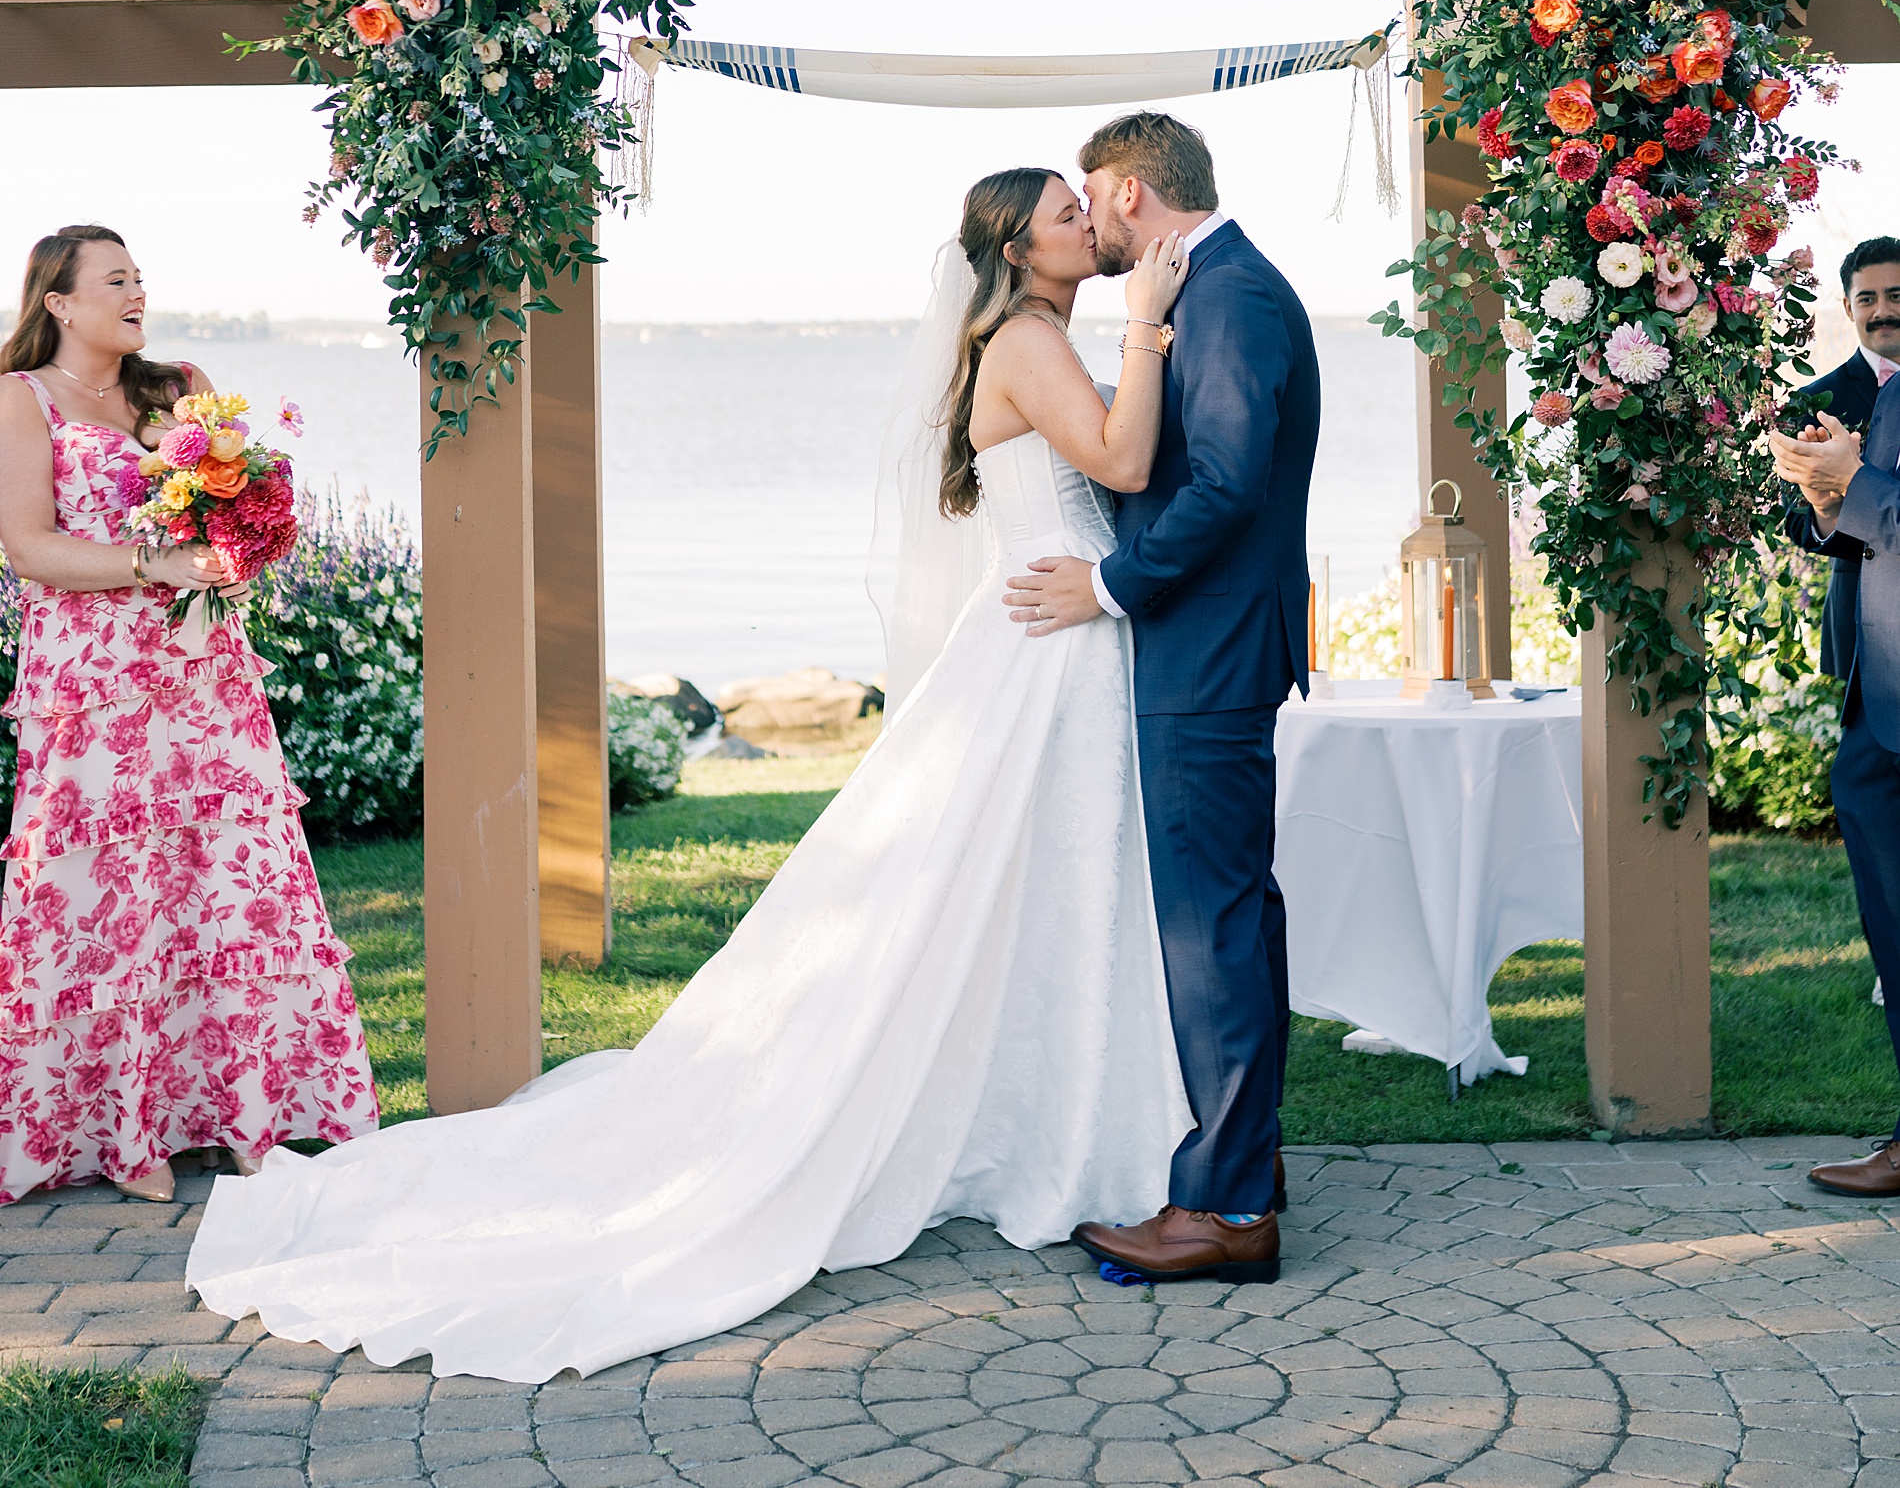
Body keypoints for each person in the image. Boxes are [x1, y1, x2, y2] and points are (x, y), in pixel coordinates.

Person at [188, 170, 1199, 1382]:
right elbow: (1123, 464)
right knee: (1036, 882)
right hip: (1050, 635)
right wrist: (1149, 321)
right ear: (1017, 248)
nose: (1088, 221)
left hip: (1060, 631)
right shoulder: (1031, 339)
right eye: (1063, 212)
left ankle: (1049, 1120)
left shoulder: (1033, 334)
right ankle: (1065, 1134)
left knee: (1040, 889)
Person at [1004, 112, 1320, 1287]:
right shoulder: (1218, 283)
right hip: (1213, 646)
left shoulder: (1227, 296)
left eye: (1091, 195)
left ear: (1131, 192)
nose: (1088, 218)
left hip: (1204, 650)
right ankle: (1248, 1163)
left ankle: (1227, 1209)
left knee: (1212, 927)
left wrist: (1108, 585)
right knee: (1233, 915)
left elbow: (1227, 482)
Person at [0, 225, 376, 1206]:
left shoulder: (180, 387)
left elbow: (234, 518)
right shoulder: (21, 398)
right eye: (114, 280)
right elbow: (30, 549)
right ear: (59, 301)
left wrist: (233, 555)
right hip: (92, 689)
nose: (137, 293)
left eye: (139, 277)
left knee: (226, 889)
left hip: (203, 673)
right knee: (117, 902)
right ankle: (127, 1134)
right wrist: (153, 563)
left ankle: (251, 1112)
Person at [1770, 247, 1900, 1198]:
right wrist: (1828, 494)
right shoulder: (1854, 395)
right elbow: (1843, 523)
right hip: (1879, 697)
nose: (1885, 310)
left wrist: (1856, 479)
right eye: (1871, 298)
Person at [1784, 239, 1900, 677]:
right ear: (1849, 308)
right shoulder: (1815, 401)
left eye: (1896, 295)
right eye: (1867, 299)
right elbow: (1798, 521)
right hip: (1862, 619)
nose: (1883, 311)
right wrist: (1826, 508)